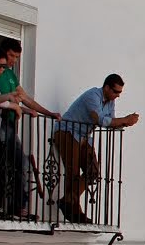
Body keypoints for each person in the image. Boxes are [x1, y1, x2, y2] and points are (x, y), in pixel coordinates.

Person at [54, 74, 139, 224]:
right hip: (68, 132)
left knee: (93, 171)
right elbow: (99, 119)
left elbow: (111, 122)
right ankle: (74, 210)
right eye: (115, 91)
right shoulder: (92, 96)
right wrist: (124, 119)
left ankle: (68, 202)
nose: (117, 96)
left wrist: (125, 123)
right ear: (106, 87)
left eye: (120, 93)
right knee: (73, 172)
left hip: (83, 136)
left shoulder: (110, 102)